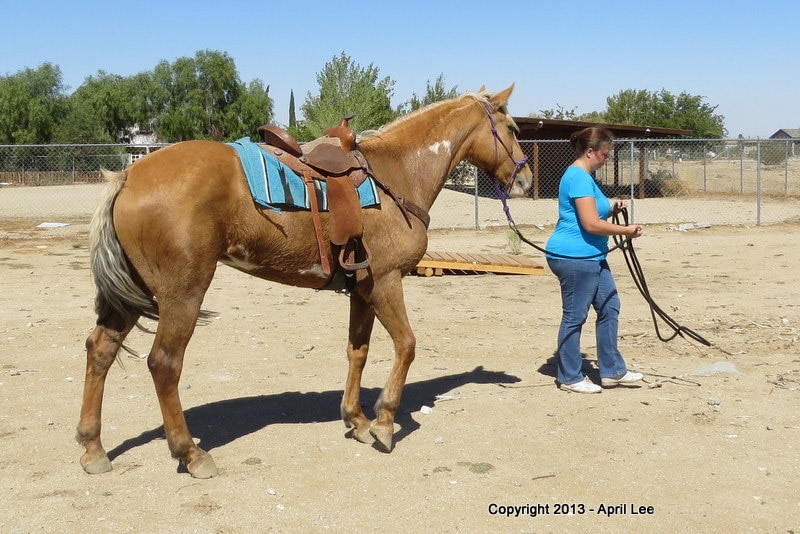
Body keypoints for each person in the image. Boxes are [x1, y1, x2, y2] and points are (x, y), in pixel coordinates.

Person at [545, 127, 644, 393]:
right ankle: (569, 377)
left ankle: (612, 371)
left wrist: (612, 208)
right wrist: (626, 230)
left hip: (592, 256)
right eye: (604, 154)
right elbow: (590, 223)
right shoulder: (577, 177)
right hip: (574, 257)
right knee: (575, 317)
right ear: (590, 152)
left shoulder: (585, 177)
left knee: (610, 307)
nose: (607, 159)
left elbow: (592, 212)